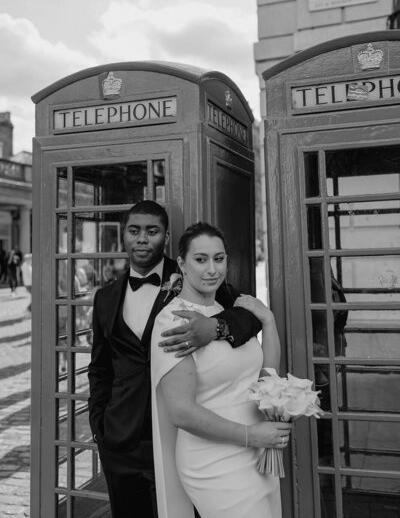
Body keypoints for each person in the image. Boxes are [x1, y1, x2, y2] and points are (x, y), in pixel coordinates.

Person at [88, 201, 261, 518]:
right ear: (123, 235)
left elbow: (250, 316)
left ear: (165, 237)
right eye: (134, 231)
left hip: (179, 434)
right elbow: (100, 367)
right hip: (121, 438)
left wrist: (215, 327)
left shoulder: (191, 272)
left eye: (151, 231)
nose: (142, 239)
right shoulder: (106, 296)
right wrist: (100, 426)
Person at [151, 222, 292, 518]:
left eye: (219, 258)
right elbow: (181, 412)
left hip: (258, 452)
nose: (212, 269)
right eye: (200, 259)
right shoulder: (174, 322)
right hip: (214, 461)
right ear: (182, 264)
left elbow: (265, 376)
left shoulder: (224, 314)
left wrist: (268, 320)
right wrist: (252, 435)